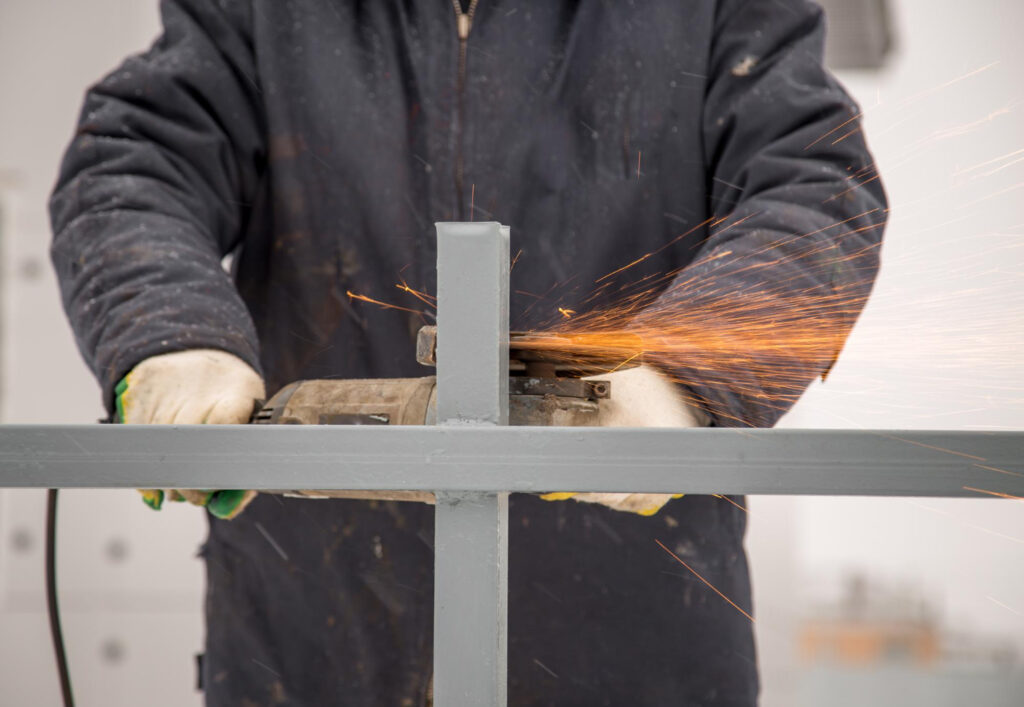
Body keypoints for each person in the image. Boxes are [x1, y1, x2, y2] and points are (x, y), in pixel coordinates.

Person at [50, 0, 886, 704]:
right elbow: (136, 164)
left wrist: (681, 375)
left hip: (634, 653)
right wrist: (172, 334)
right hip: (306, 649)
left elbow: (816, 186)